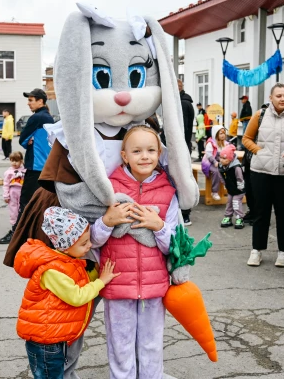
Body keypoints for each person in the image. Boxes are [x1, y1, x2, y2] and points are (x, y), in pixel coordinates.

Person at [95, 125, 179, 379]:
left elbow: (175, 244)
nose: (145, 156)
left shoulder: (168, 192)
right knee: (120, 345)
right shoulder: (107, 189)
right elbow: (92, 240)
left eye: (151, 150)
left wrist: (160, 227)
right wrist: (107, 222)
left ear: (159, 153)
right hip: (117, 282)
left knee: (151, 344)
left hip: (154, 285)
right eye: (137, 151)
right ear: (124, 156)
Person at [14, 207, 120, 379]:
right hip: (46, 343)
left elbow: (80, 278)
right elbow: (76, 296)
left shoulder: (67, 261)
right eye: (84, 243)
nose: (90, 246)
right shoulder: (53, 271)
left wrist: (97, 273)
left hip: (54, 337)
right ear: (65, 246)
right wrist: (102, 281)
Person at [242, 83, 284, 267]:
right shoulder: (260, 115)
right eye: (279, 96)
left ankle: (283, 252)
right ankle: (257, 250)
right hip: (260, 172)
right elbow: (246, 138)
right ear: (271, 98)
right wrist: (259, 151)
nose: (283, 99)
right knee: (260, 212)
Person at [0, 88, 53, 244]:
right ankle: (39, 234)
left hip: (35, 167)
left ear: (40, 101)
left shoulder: (37, 118)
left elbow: (22, 139)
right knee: (43, 202)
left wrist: (29, 141)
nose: (28, 103)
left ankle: (17, 234)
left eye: (31, 100)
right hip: (46, 166)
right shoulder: (48, 117)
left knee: (26, 201)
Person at [178, 79, 195, 225]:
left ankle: (185, 213)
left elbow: (182, 129)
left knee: (181, 178)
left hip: (180, 146)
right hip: (183, 145)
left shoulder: (182, 104)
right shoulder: (185, 102)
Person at [218, 144, 245, 229]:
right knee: (229, 202)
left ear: (230, 158)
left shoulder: (236, 167)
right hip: (230, 188)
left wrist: (240, 188)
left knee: (236, 202)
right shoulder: (221, 167)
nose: (221, 160)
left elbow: (240, 178)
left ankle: (239, 218)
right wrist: (226, 185)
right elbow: (221, 177)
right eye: (221, 158)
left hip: (238, 189)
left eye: (224, 158)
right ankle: (228, 216)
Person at [204, 125, 228, 201]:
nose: (223, 135)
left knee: (233, 169)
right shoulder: (211, 143)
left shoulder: (226, 143)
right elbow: (209, 155)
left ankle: (230, 188)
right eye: (221, 133)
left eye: (224, 133)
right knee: (216, 171)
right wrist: (214, 162)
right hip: (210, 162)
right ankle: (214, 191)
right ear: (216, 134)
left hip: (221, 162)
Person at [3, 151, 26, 227]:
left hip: (22, 191)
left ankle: (21, 223)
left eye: (16, 161)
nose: (14, 163)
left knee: (21, 207)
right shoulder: (8, 172)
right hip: (12, 192)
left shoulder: (25, 171)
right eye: (12, 161)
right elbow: (6, 184)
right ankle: (14, 224)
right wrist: (6, 195)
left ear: (21, 161)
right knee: (13, 208)